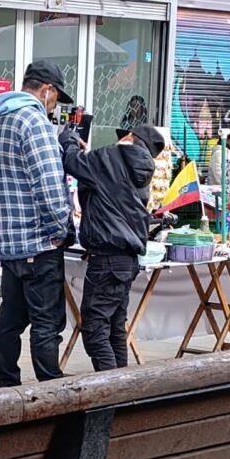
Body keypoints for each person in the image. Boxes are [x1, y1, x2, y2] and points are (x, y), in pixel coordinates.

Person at [0, 60, 74, 388]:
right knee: (46, 322)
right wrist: (60, 230)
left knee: (10, 320)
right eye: (56, 98)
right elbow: (49, 184)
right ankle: (50, 386)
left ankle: (7, 383)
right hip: (39, 243)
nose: (54, 106)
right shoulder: (33, 120)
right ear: (47, 90)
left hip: (8, 244)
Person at [70, 123, 163, 371]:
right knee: (114, 328)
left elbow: (72, 162)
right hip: (127, 259)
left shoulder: (111, 157)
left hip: (107, 259)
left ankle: (111, 393)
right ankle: (124, 393)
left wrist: (69, 139)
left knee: (94, 327)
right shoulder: (139, 167)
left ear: (131, 137)